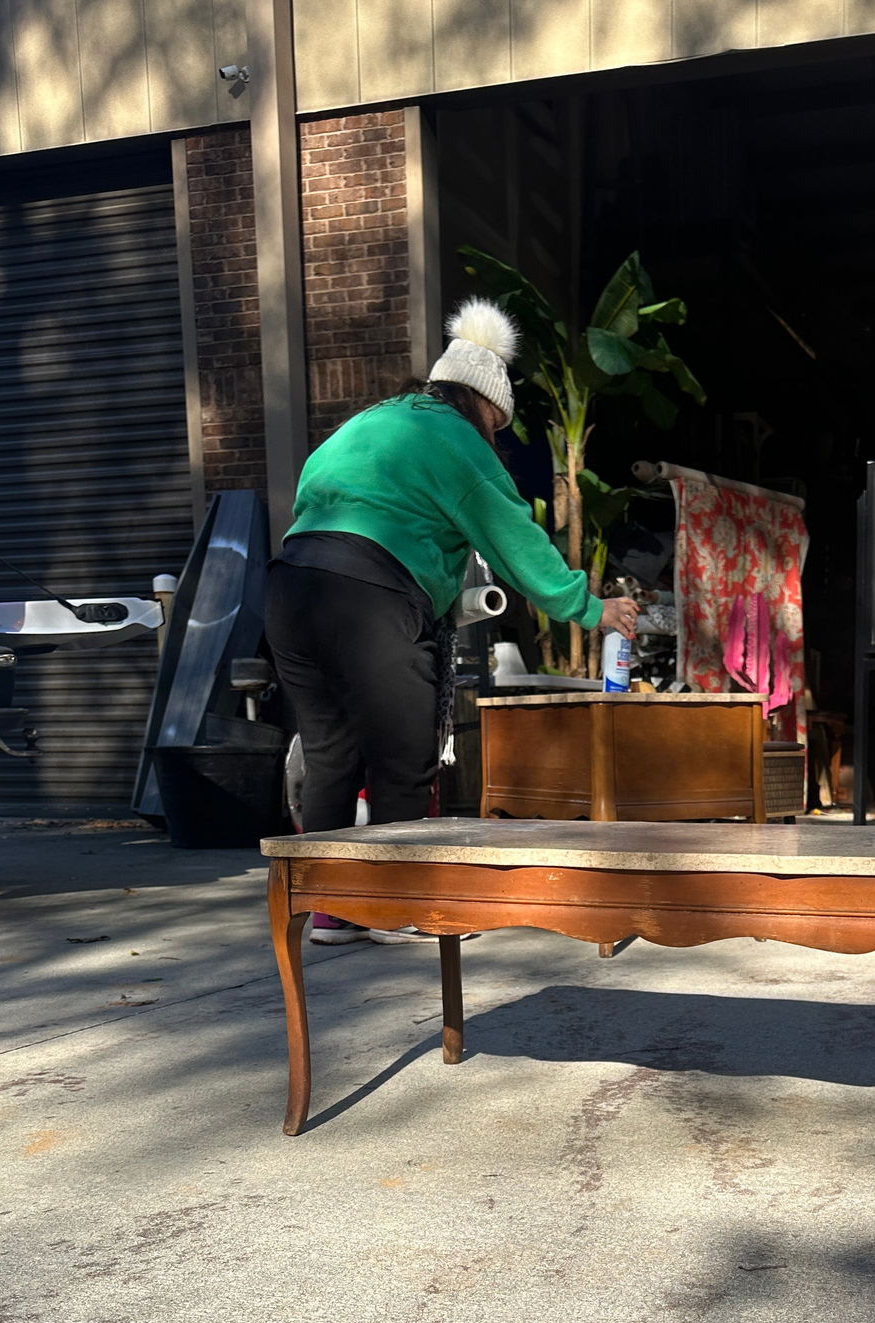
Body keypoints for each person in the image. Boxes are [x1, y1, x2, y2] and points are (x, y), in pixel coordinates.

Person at [265, 298, 640, 943]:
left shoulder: (368, 421)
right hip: (369, 597)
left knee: (331, 754)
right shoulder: (458, 440)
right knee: (403, 758)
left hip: (291, 589)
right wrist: (588, 606)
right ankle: (402, 907)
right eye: (496, 424)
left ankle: (332, 908)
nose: (494, 437)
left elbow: (316, 502)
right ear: (481, 404)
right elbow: (514, 539)